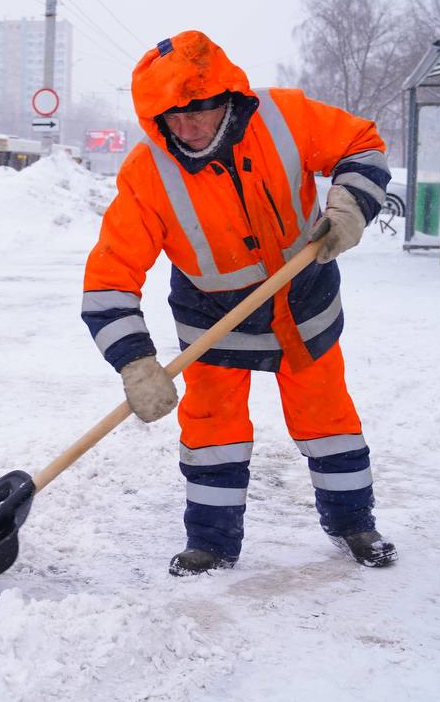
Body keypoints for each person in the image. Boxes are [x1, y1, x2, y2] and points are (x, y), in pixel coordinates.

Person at [81, 30, 397, 575]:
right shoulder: (147, 173)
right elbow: (109, 278)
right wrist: (135, 362)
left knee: (329, 419)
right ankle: (211, 542)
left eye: (196, 111)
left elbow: (362, 143)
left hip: (303, 306)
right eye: (170, 119)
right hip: (213, 323)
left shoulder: (285, 117)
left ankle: (354, 524)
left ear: (226, 95)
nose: (186, 129)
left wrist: (349, 205)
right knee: (211, 431)